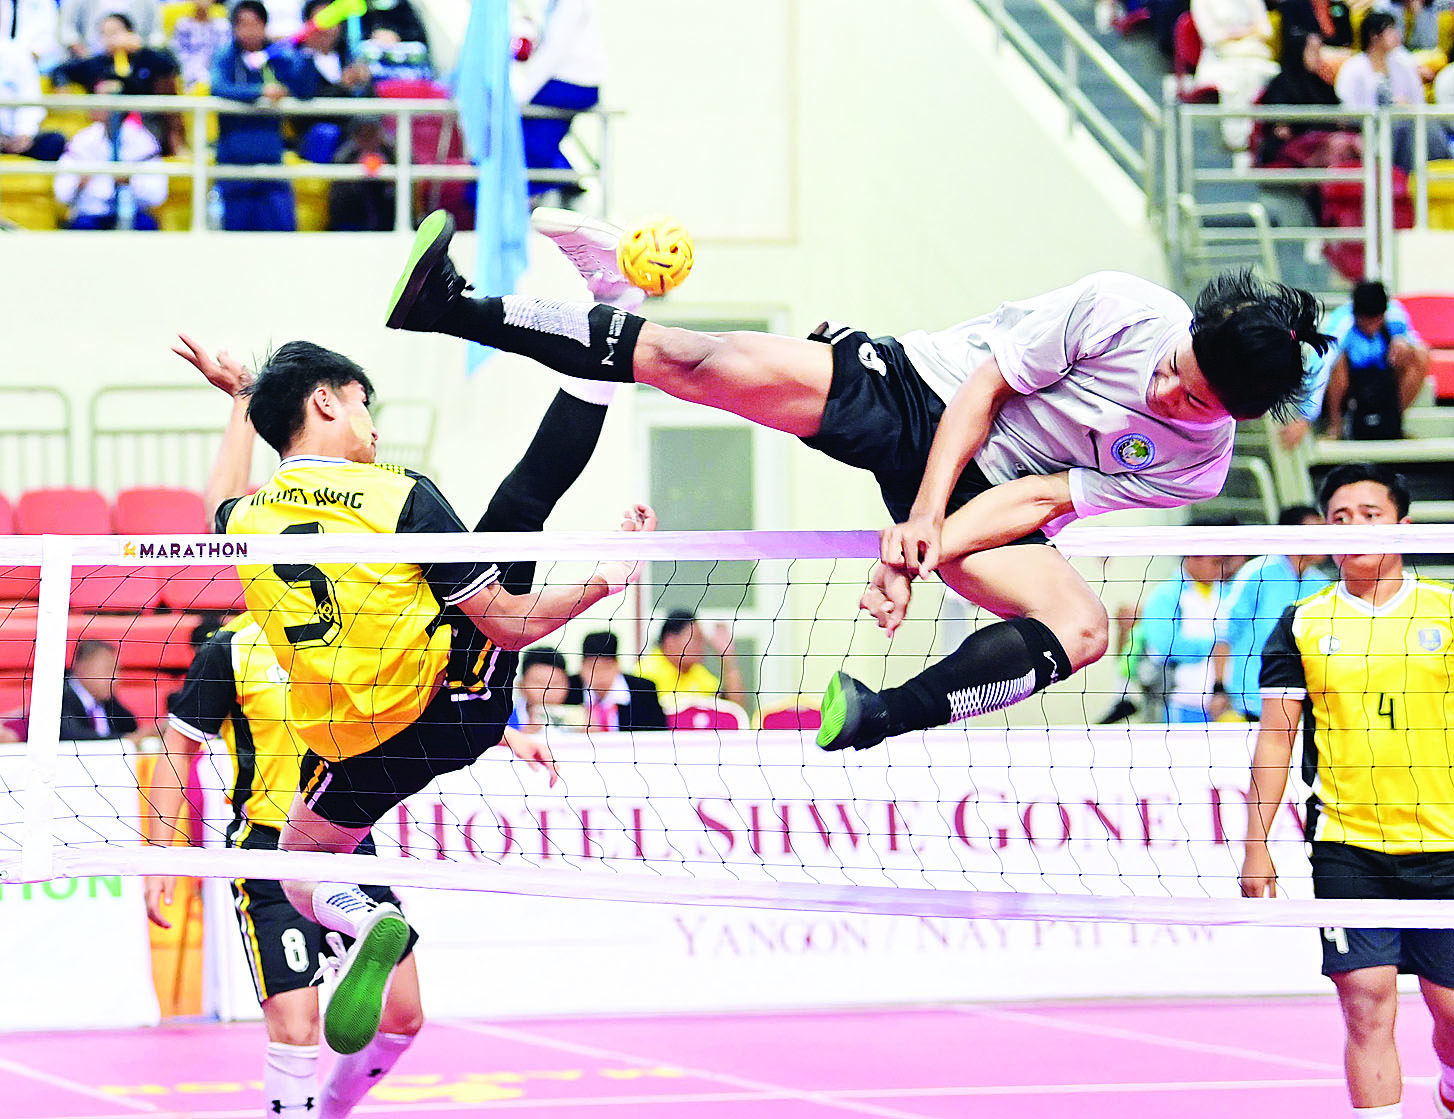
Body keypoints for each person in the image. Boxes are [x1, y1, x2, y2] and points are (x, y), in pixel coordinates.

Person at [383, 210, 1328, 752]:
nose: (1165, 391)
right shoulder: (1124, 310)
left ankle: (879, 716)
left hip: (993, 498)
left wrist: (921, 548)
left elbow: (1045, 498)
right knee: (695, 361)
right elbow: (986, 392)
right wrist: (919, 522)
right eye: (1176, 368)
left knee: (1082, 629)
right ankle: (451, 306)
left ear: (1234, 416)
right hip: (921, 392)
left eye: (1191, 398)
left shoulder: (1197, 460)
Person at [177, 317, 652, 1057]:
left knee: (296, 873)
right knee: (520, 506)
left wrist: (241, 397)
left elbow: (218, 494)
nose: (373, 425)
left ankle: (360, 917)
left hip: (353, 748)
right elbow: (510, 625)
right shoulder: (400, 496)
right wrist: (607, 577)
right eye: (364, 404)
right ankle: (605, 339)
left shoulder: (246, 519)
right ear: (327, 402)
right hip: (451, 707)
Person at [145, 614, 427, 1118]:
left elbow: (426, 705)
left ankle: (329, 1111)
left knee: (403, 1018)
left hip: (346, 839)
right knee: (296, 1029)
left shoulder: (359, 630)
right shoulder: (232, 647)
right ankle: (357, 927)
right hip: (266, 850)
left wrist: (501, 735)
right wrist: (159, 853)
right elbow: (177, 745)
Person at [1241, 461, 1454, 1119]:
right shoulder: (1302, 622)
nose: (1354, 526)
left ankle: (1449, 1076)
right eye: (1339, 517)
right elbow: (1276, 738)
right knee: (1365, 1001)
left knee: (1452, 1013)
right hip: (1348, 844)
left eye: (1370, 514)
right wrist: (1256, 846)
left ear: (1403, 526)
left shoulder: (1447, 610)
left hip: (1447, 847)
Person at [1215, 504, 1329, 720]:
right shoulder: (1256, 574)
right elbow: (1224, 632)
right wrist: (1218, 688)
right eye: (1316, 532)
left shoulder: (1322, 584)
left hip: (1303, 701)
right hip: (1249, 700)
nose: (1325, 539)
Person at [211, 1, 316, 231]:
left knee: (282, 232)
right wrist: (260, 91)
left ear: (265, 26)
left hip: (271, 160)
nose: (249, 31)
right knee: (236, 238)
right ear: (234, 28)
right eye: (243, 24)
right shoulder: (225, 57)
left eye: (255, 24)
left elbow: (304, 89)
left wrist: (307, 52)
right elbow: (218, 88)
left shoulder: (277, 56)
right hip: (234, 163)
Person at [512, 0, 605, 206]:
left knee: (525, 137)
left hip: (573, 83)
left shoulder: (569, 4)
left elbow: (554, 51)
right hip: (571, 81)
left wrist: (523, 95)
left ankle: (556, 181)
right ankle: (564, 177)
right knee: (533, 137)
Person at [1138, 540, 1239, 724]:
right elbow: (1165, 646)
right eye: (1215, 562)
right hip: (1181, 702)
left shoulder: (1230, 594)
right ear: (1192, 557)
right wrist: (1215, 646)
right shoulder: (1166, 595)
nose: (1220, 568)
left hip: (1227, 705)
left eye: (1223, 562)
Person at [1322, 280, 1431, 441]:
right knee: (1336, 361)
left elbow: (1417, 346)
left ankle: (1391, 422)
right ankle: (1335, 426)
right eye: (1366, 322)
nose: (1371, 327)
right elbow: (1323, 363)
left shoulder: (1396, 316)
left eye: (1376, 321)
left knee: (1420, 354)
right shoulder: (1341, 322)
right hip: (1352, 381)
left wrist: (1404, 343)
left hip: (1383, 379)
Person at [1335, 11, 1443, 171]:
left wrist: (1406, 107)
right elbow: (1347, 111)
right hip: (1370, 129)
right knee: (1403, 124)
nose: (1397, 34)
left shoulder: (1403, 63)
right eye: (1391, 30)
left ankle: (1437, 170)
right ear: (1374, 36)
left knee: (1427, 124)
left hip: (1404, 126)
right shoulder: (1352, 68)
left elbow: (1418, 101)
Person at [1255, 30, 1358, 170]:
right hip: (1295, 144)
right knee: (1338, 144)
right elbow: (1280, 128)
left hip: (1327, 138)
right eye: (1314, 51)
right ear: (1299, 51)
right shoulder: (1281, 84)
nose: (1319, 57)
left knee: (1357, 142)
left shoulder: (1321, 84)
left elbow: (1338, 115)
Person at [53, 105, 167, 229]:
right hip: (90, 213)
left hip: (133, 211)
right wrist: (79, 184)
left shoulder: (143, 141)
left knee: (146, 226)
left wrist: (130, 181)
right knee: (81, 227)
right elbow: (62, 194)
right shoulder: (82, 140)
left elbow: (158, 195)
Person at [1189, 0, 1279, 151]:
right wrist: (1249, 31)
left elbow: (1266, 30)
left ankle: (1258, 142)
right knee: (1234, 81)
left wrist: (1233, 34)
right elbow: (1211, 37)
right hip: (1218, 60)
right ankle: (1237, 141)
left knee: (1274, 78)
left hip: (1255, 56)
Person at [635, 609, 747, 712]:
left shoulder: (697, 672)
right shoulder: (644, 674)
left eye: (703, 640)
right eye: (696, 639)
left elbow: (735, 709)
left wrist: (727, 658)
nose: (702, 646)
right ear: (670, 641)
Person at [53, 11, 179, 96]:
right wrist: (62, 86)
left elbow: (172, 66)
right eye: (104, 34)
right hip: (107, 122)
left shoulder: (147, 58)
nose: (110, 39)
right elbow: (61, 70)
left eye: (114, 33)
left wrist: (141, 47)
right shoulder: (96, 63)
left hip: (146, 121)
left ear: (130, 33)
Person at [581, 630, 666, 732]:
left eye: (606, 668)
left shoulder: (643, 691)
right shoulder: (571, 690)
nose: (599, 675)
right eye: (592, 668)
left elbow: (658, 733)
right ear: (582, 667)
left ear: (617, 665)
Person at [59, 640, 140, 740]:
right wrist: (126, 740)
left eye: (117, 670)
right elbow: (73, 736)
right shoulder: (60, 699)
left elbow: (132, 729)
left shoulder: (111, 704)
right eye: (108, 670)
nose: (116, 678)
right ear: (83, 668)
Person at [0, 37, 64, 161]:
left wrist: (24, 133)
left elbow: (31, 96)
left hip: (15, 135)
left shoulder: (16, 54)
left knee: (54, 141)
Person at [510, 646, 582, 733]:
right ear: (521, 686)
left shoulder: (583, 716)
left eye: (555, 683)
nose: (547, 691)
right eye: (539, 683)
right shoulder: (505, 719)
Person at [57, 0, 162, 56]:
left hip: (137, 55)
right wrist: (81, 50)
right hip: (92, 56)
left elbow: (157, 35)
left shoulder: (148, 2)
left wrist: (140, 45)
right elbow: (66, 30)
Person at [169, 0, 229, 90]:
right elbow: (178, 52)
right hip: (188, 71)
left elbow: (225, 52)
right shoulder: (183, 25)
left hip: (216, 69)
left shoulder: (222, 25)